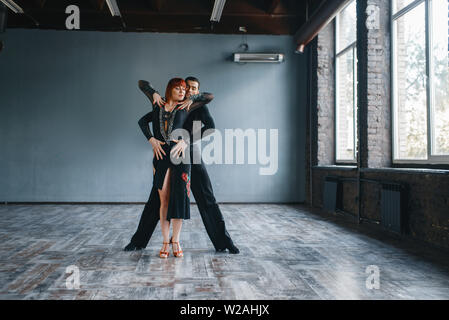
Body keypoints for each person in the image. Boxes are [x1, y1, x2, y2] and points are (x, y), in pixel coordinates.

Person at [124, 77, 239, 254]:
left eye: (194, 89)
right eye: (188, 88)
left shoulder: (198, 104)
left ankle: (224, 242)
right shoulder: (169, 103)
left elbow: (210, 127)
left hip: (190, 152)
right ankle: (138, 241)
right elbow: (143, 86)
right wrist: (153, 93)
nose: (190, 91)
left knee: (207, 198)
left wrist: (187, 140)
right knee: (156, 201)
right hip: (168, 154)